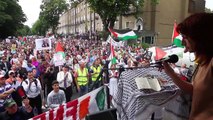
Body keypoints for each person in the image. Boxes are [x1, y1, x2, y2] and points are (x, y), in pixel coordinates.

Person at [162, 13, 213, 120]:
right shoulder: (202, 62)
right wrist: (170, 72)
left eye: (185, 37)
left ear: (199, 38)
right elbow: (194, 90)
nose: (182, 42)